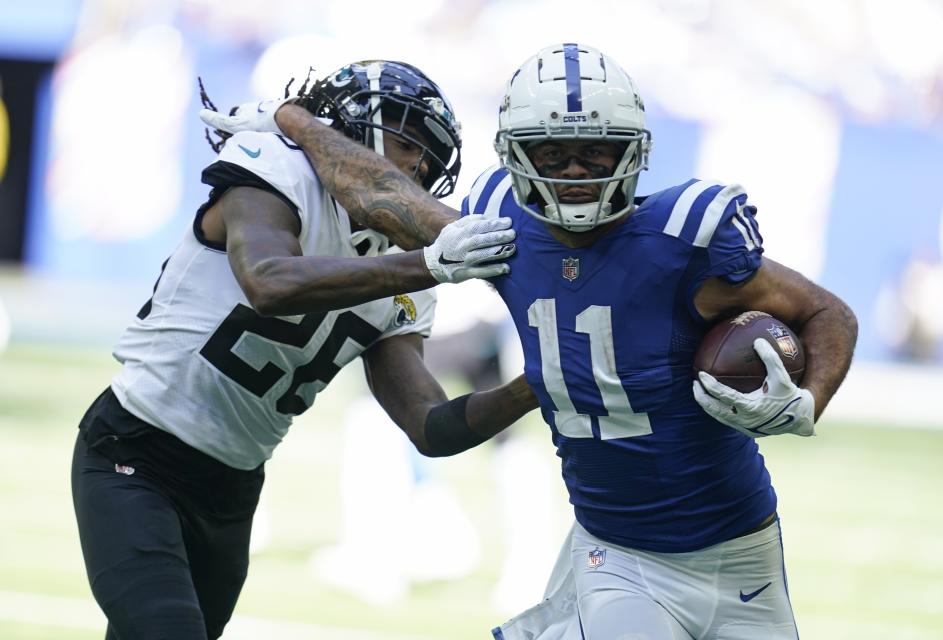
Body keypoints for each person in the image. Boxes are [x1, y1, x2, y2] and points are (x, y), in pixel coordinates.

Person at [204, 43, 858, 639]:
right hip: (621, 556)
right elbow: (383, 193)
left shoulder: (684, 239)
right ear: (518, 155)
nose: (574, 170)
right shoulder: (505, 234)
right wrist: (296, 120)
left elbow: (828, 313)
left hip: (748, 548)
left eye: (594, 152)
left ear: (631, 152)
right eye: (551, 153)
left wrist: (808, 400)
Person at [72, 59, 539, 640]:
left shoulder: (408, 274)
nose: (416, 167)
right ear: (348, 128)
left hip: (233, 487)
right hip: (137, 451)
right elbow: (269, 281)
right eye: (405, 142)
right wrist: (426, 264)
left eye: (427, 157)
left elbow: (430, 427)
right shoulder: (274, 168)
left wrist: (537, 386)